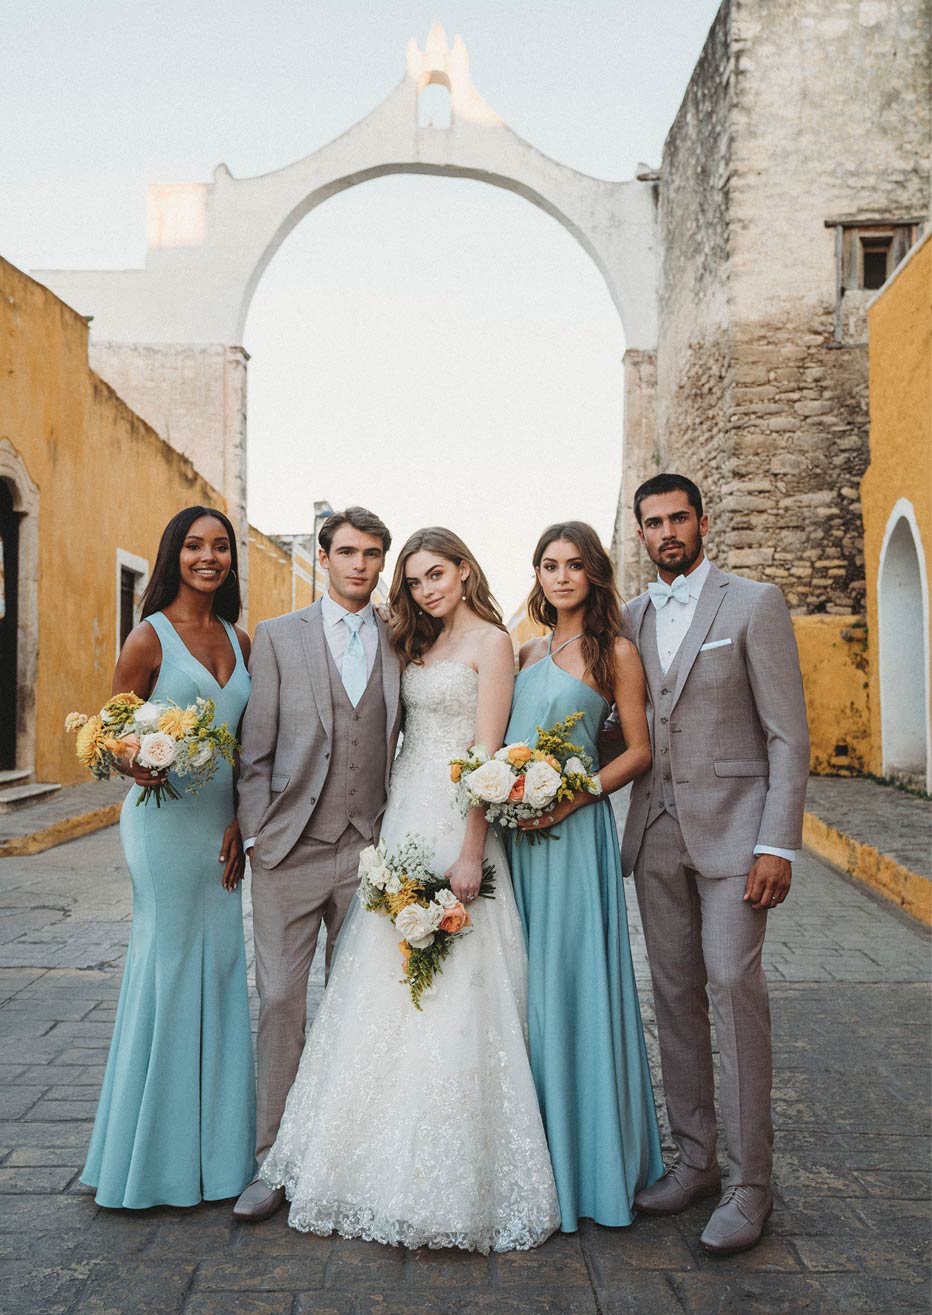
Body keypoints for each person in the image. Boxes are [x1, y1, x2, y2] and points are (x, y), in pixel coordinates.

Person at [258, 528, 560, 1252]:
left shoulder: (491, 644)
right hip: (401, 822)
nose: (426, 589)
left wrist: (471, 849)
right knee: (380, 987)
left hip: (455, 823)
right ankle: (359, 1157)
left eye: (437, 574)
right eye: (416, 579)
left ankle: (448, 1175)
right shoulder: (411, 646)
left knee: (458, 990)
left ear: (464, 570)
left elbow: (485, 756)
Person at [622, 473, 809, 1256]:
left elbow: (787, 735)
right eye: (654, 522)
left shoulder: (753, 603)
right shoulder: (627, 617)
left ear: (702, 522)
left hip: (737, 836)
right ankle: (695, 1159)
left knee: (734, 986)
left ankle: (749, 1184)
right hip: (657, 834)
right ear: (640, 534)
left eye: (678, 518)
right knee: (672, 995)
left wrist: (777, 842)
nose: (668, 532)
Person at [81, 506, 256, 1208]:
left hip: (221, 828)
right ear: (172, 555)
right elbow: (104, 736)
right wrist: (136, 764)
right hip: (162, 826)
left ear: (231, 560)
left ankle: (216, 1162)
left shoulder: (243, 639)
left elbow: (251, 746)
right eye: (193, 545)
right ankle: (148, 1162)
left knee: (219, 971)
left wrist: (245, 818)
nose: (207, 556)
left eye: (220, 546)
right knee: (168, 968)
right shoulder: (148, 637)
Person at [233, 506, 403, 1223]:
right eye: (347, 552)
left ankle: (346, 1155)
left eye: (372, 554)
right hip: (290, 852)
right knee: (280, 1004)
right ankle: (272, 1160)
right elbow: (255, 752)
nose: (360, 565)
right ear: (325, 557)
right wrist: (258, 837)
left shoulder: (402, 637)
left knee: (360, 1010)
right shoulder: (277, 637)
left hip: (371, 851)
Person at [507, 521, 663, 1233]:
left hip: (574, 838)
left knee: (571, 983)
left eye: (573, 565)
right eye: (549, 564)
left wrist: (574, 795)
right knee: (521, 985)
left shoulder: (615, 653)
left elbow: (637, 750)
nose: (560, 576)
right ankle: (527, 1157)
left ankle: (588, 1164)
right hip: (517, 843)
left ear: (594, 574)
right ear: (536, 574)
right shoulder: (526, 650)